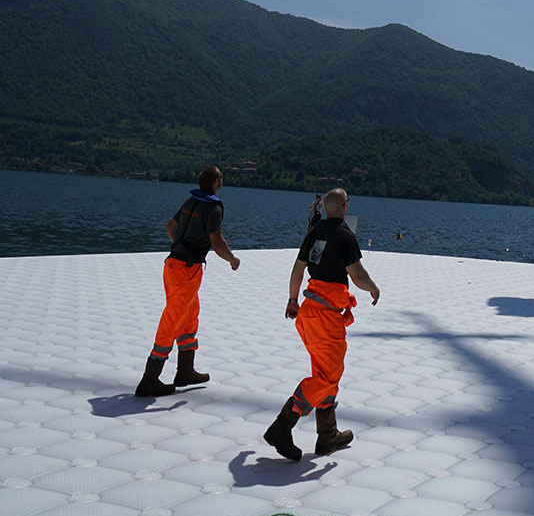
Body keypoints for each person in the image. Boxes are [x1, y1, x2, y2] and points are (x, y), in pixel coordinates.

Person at [264, 187, 380, 461]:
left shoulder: (314, 233)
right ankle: (282, 426)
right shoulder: (345, 236)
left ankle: (328, 435)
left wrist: (292, 300)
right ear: (344, 207)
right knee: (327, 377)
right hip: (327, 318)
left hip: (308, 312)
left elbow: (297, 269)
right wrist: (373, 288)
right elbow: (358, 273)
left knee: (325, 372)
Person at [135, 166, 240, 397]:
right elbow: (217, 241)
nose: (222, 181)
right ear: (215, 182)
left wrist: (180, 247)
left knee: (190, 314)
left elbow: (171, 227)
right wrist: (232, 259)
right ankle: (149, 380)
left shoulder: (191, 201)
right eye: (221, 178)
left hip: (173, 265)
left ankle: (185, 371)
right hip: (187, 269)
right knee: (173, 319)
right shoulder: (213, 206)